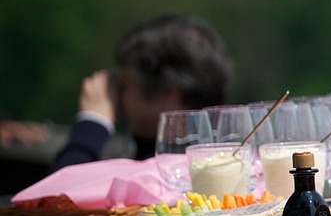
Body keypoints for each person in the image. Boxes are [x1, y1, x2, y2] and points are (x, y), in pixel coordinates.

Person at [50, 15, 234, 171]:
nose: (117, 97)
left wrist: (92, 124)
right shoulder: (226, 164)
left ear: (168, 94)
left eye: (125, 84)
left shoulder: (168, 175)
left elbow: (51, 202)